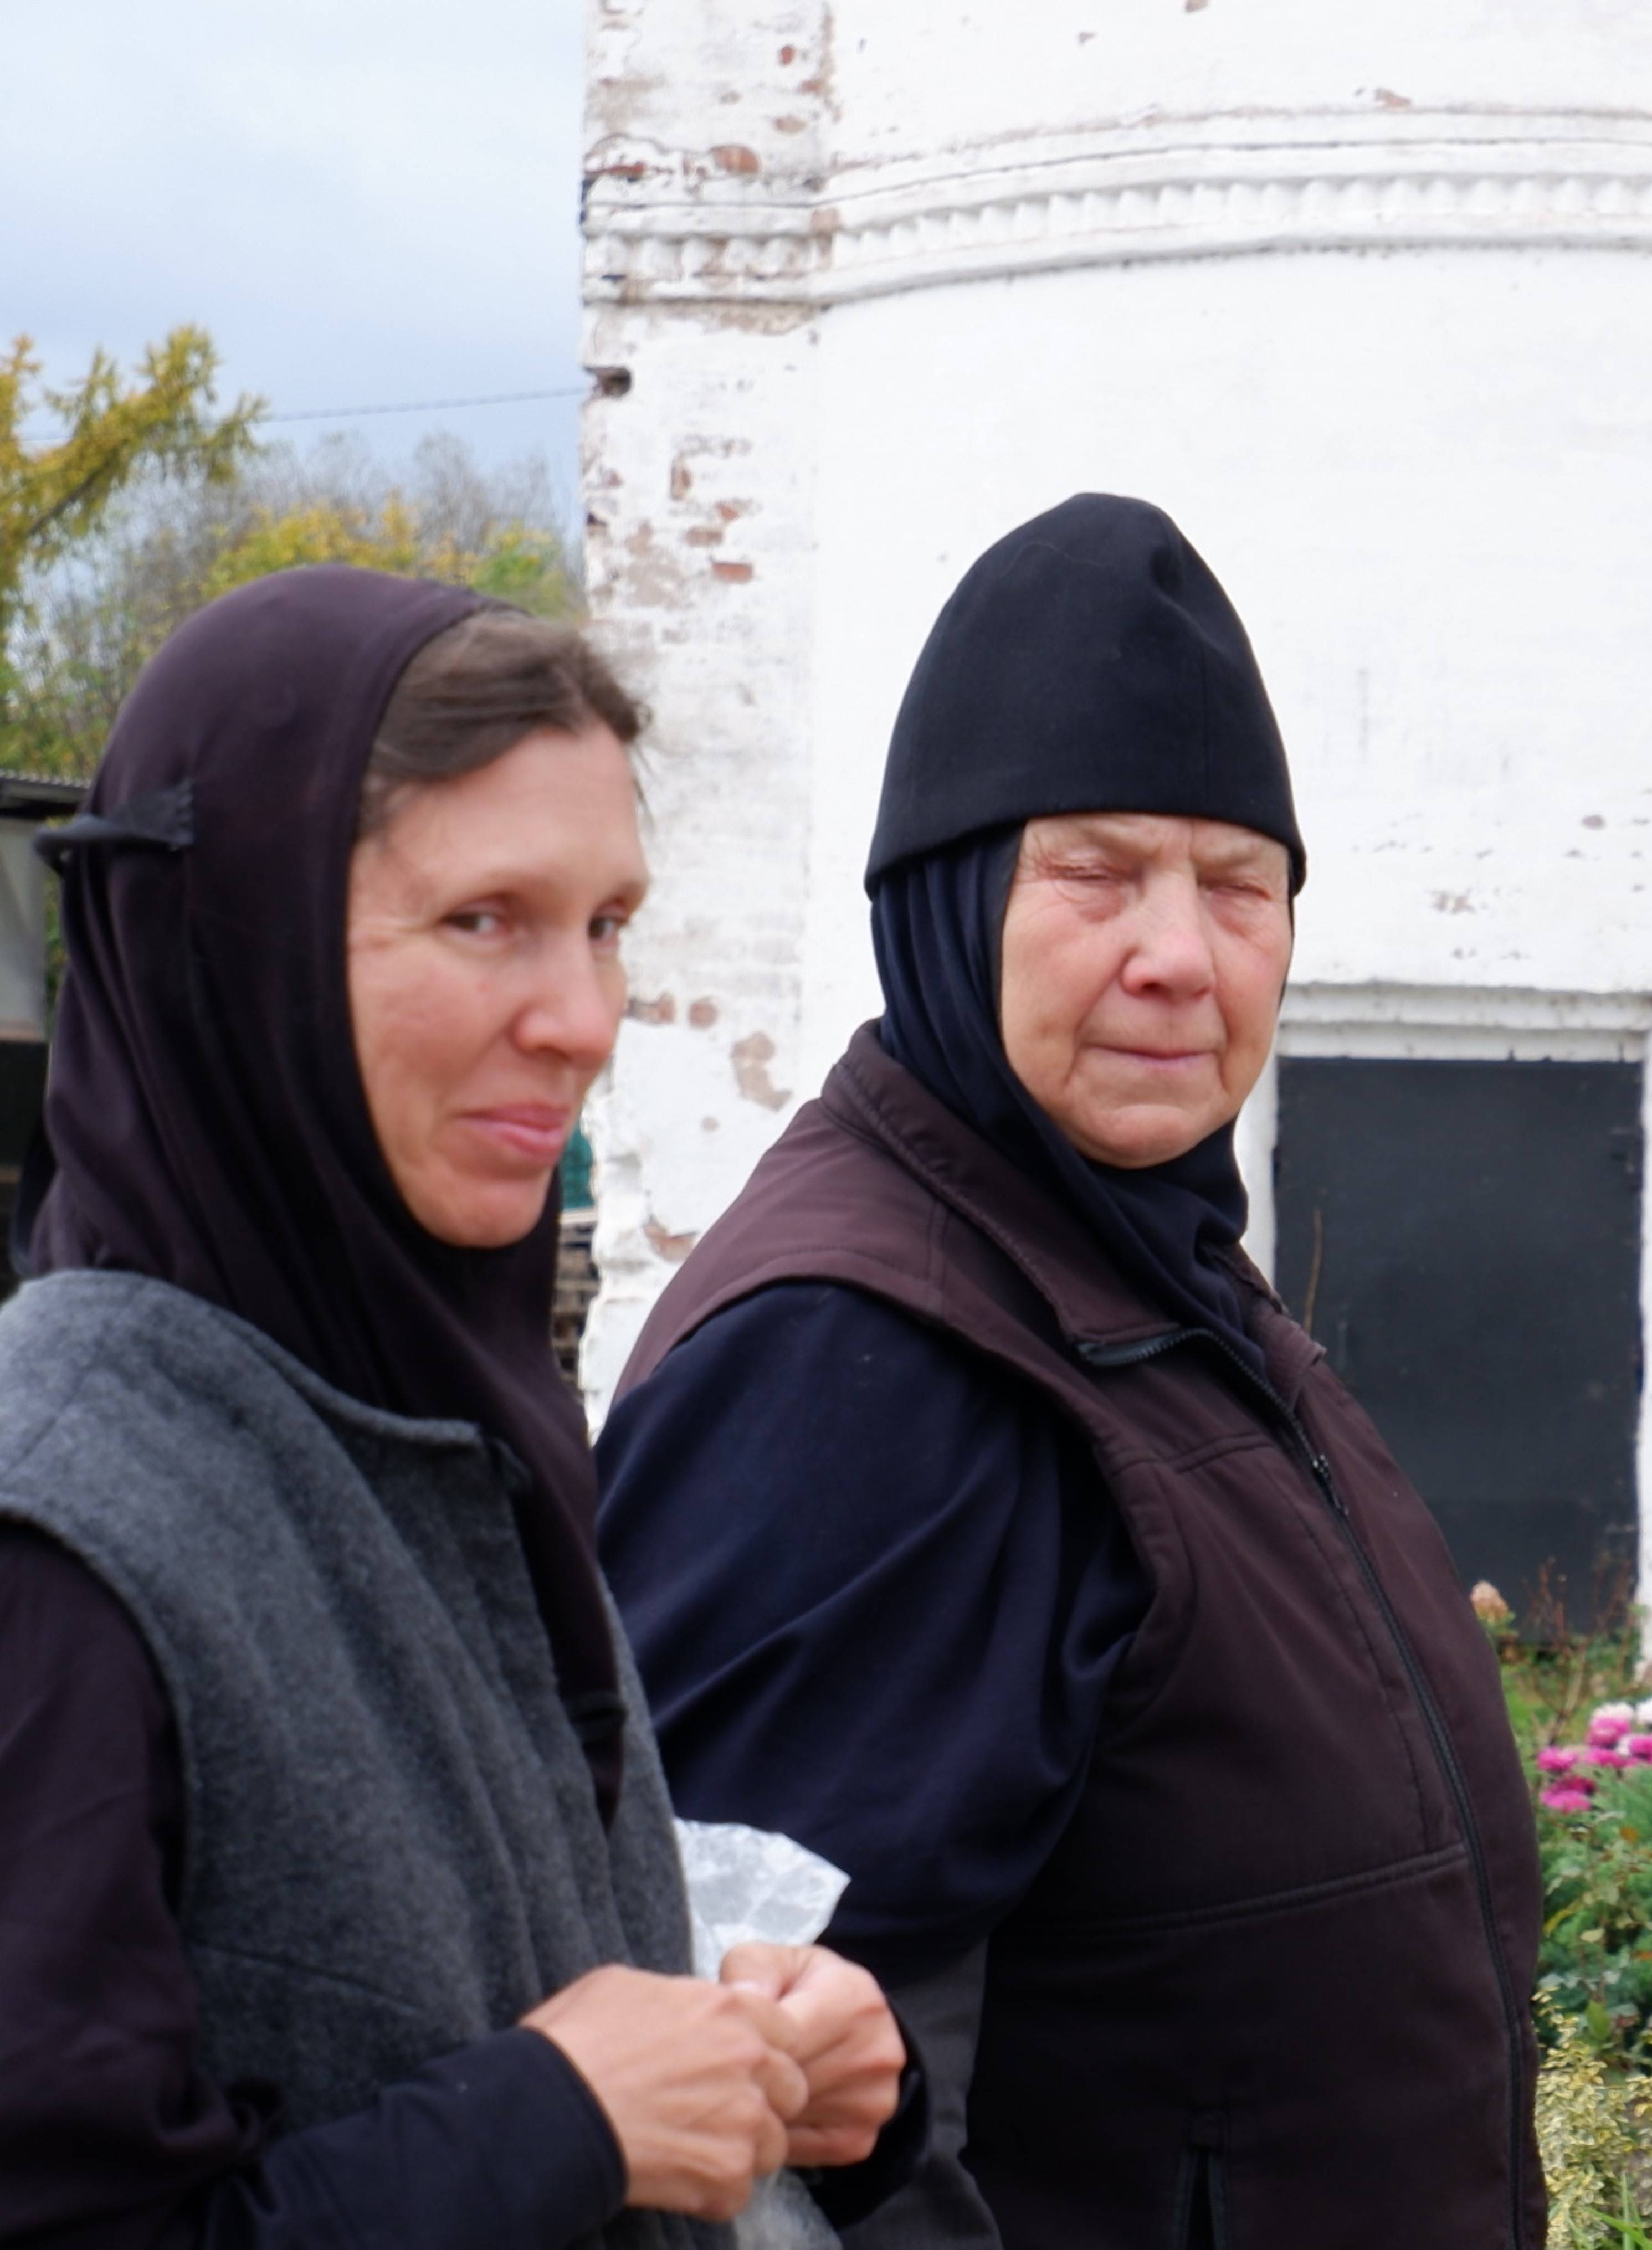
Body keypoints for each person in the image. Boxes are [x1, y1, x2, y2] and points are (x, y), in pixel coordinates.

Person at [594, 494, 1543, 2247]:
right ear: (948, 903)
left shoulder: (1145, 1271)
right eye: (1096, 873)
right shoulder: (857, 1360)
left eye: (1238, 885)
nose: (1179, 956)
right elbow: (780, 2141)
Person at [0, 572, 915, 2247]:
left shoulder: (436, 1421)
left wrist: (762, 2058)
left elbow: (467, 2003)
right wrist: (553, 2123)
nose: (582, 1021)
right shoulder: (58, 1530)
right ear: (236, 951)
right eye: (485, 918)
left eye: (607, 923)